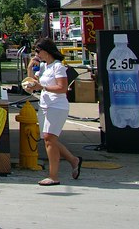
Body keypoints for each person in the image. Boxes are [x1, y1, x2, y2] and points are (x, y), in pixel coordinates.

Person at [26, 37, 82, 186]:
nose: (37, 54)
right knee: (48, 138)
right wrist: (30, 69)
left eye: (38, 51)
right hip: (45, 105)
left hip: (57, 106)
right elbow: (33, 82)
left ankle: (53, 175)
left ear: (46, 51)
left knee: (50, 139)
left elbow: (62, 88)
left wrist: (42, 87)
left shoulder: (58, 67)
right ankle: (73, 160)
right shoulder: (44, 67)